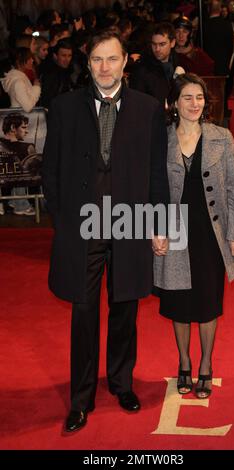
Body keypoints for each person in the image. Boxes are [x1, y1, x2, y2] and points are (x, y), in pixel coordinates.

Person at [42, 30, 169, 433]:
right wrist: (64, 224)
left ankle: (121, 383)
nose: (104, 67)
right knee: (83, 312)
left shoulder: (149, 109)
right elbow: (51, 171)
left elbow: (156, 173)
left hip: (129, 224)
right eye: (97, 59)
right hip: (82, 227)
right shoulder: (63, 108)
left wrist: (160, 225)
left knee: (125, 307)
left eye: (111, 59)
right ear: (89, 60)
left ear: (126, 60)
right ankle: (81, 398)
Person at [154, 73, 234, 399]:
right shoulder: (161, 140)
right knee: (179, 302)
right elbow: (152, 190)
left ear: (206, 102)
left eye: (199, 98)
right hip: (175, 230)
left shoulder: (222, 137)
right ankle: (184, 362)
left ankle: (206, 365)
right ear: (174, 104)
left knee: (208, 302)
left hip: (212, 233)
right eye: (186, 98)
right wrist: (155, 228)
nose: (194, 104)